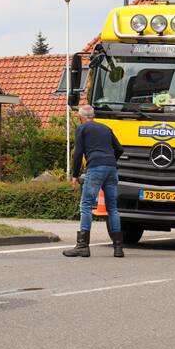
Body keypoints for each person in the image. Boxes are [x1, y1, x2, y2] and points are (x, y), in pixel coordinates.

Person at [63, 104, 125, 258]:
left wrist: (75, 175)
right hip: (111, 169)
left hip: (95, 168)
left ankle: (82, 246)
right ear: (93, 116)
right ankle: (118, 248)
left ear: (81, 117)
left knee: (86, 205)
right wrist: (110, 161)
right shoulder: (106, 128)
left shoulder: (82, 129)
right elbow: (120, 149)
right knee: (112, 208)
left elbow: (78, 154)